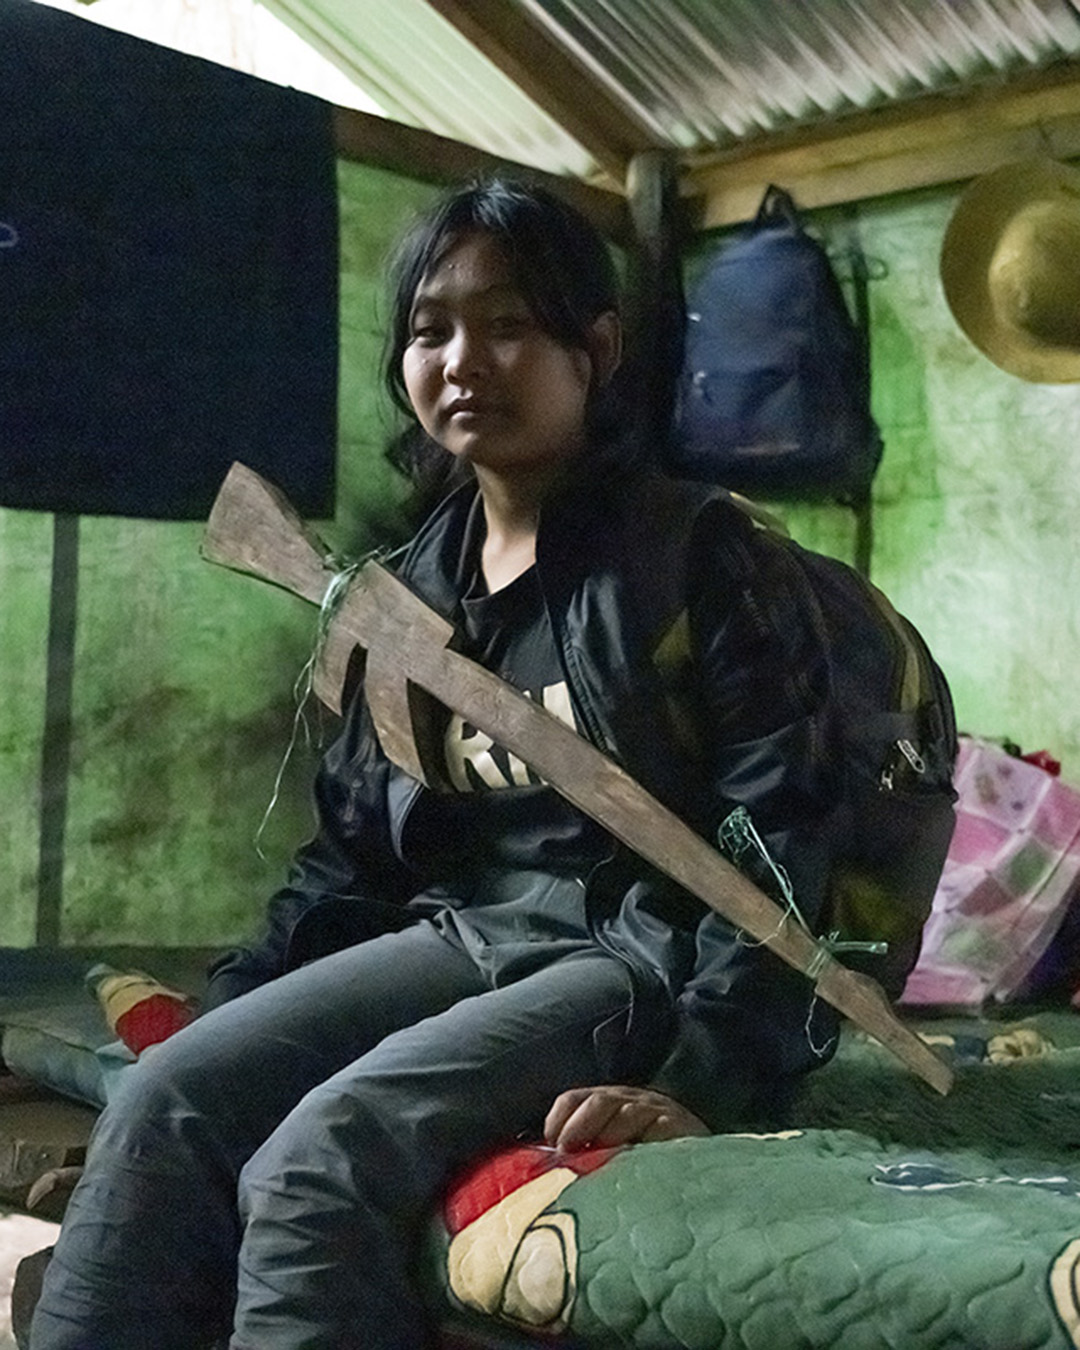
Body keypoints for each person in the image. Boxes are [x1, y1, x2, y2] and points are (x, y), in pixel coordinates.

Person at [30, 179, 841, 1350]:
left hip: (630, 950)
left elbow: (783, 825)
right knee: (168, 1100)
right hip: (466, 934)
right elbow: (354, 844)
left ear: (595, 349)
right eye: (431, 329)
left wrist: (706, 1079)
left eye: (510, 325)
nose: (466, 359)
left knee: (321, 1156)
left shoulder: (699, 555)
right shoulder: (407, 587)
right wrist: (236, 1013)